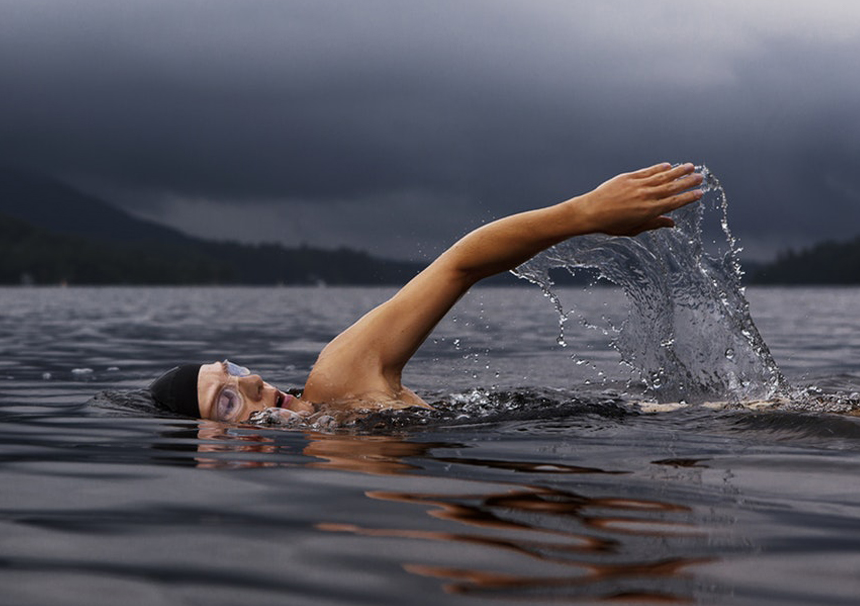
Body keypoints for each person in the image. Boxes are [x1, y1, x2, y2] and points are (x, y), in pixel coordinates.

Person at [149, 162, 704, 422]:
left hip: (673, 421)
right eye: (226, 400)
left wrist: (583, 214)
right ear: (211, 450)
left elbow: (459, 265)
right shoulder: (335, 478)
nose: (252, 381)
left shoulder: (339, 380)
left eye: (234, 369)